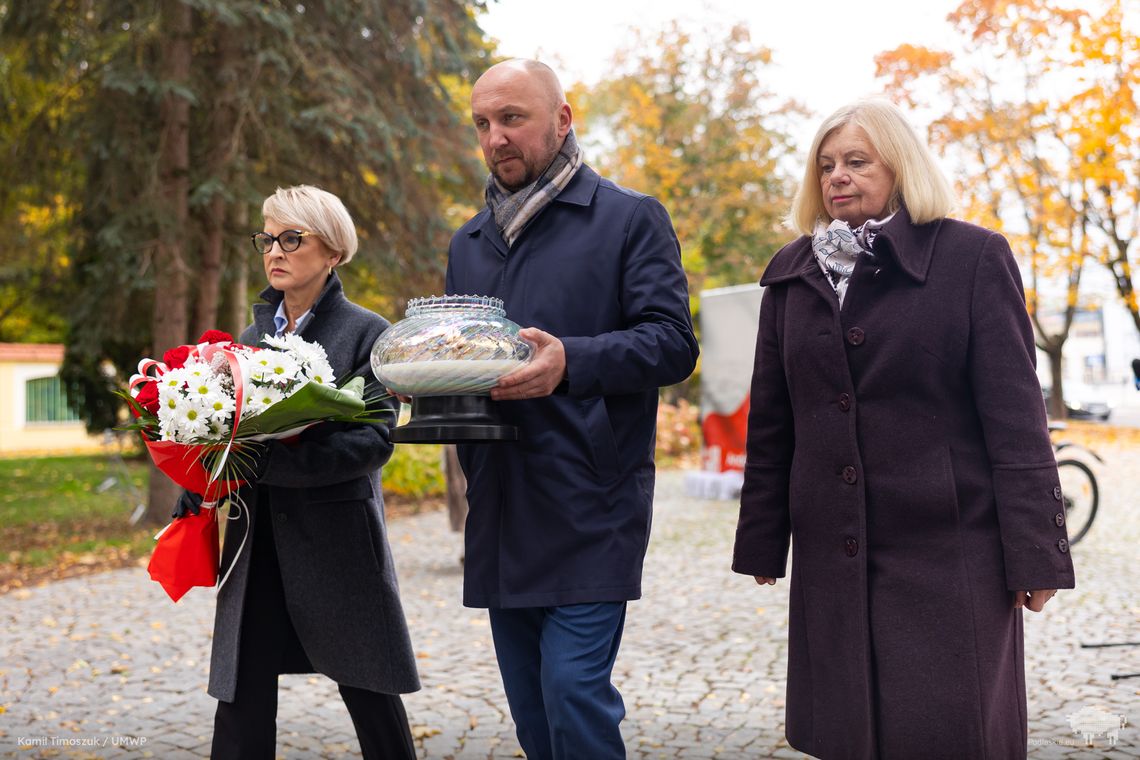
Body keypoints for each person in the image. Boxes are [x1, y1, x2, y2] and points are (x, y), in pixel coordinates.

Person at [731, 99, 1076, 760]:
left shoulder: (973, 258)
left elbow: (1016, 421)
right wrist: (763, 537)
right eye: (826, 165)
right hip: (834, 556)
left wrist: (1038, 554)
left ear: (901, 167)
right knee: (850, 736)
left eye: (857, 162)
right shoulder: (791, 275)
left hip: (951, 557)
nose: (837, 176)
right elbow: (773, 422)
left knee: (948, 732)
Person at [444, 59, 699, 759]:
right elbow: (462, 354)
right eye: (483, 124)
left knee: (572, 696)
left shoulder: (628, 219)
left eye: (512, 119)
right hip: (499, 509)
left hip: (592, 506)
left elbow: (673, 344)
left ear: (562, 119)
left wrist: (572, 363)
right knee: (533, 719)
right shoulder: (467, 243)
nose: (496, 138)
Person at [173, 185, 420, 759]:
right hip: (256, 544)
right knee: (241, 701)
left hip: (337, 543)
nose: (275, 251)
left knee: (371, 695)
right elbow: (223, 431)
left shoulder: (369, 332)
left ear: (332, 252)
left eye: (292, 238)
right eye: (268, 239)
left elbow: (373, 441)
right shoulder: (251, 338)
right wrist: (201, 481)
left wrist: (270, 461)